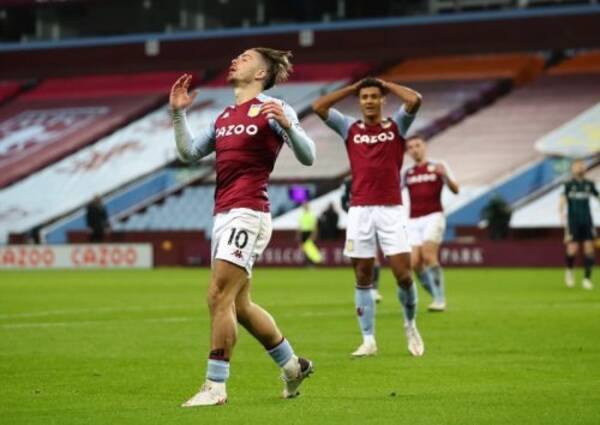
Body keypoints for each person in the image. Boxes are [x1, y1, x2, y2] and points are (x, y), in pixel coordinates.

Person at [170, 47, 316, 407]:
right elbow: (189, 153)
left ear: (261, 74)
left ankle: (215, 386)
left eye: (246, 58)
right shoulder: (224, 116)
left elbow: (308, 155)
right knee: (241, 304)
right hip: (223, 213)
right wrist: (178, 114)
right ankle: (292, 366)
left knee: (218, 295)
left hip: (249, 211)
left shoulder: (274, 108)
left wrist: (288, 127)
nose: (235, 60)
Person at [312, 77, 424, 357]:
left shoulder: (397, 126)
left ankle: (410, 325)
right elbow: (319, 107)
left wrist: (385, 83)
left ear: (382, 99)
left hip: (390, 209)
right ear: (360, 101)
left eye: (374, 96)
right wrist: (352, 88)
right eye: (364, 97)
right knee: (362, 275)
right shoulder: (349, 128)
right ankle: (368, 340)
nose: (369, 101)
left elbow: (414, 100)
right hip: (360, 210)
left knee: (403, 275)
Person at [403, 135, 459, 312]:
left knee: (428, 255)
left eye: (417, 145)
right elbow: (396, 192)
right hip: (413, 219)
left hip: (434, 216)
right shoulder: (407, 172)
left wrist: (445, 176)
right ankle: (436, 296)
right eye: (410, 147)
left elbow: (456, 189)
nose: (414, 150)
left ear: (424, 146)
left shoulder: (438, 166)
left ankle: (440, 300)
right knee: (414, 263)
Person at [560, 159, 599, 290]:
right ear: (572, 169)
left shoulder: (589, 184)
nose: (580, 168)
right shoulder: (568, 185)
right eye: (577, 166)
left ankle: (587, 279)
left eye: (581, 166)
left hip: (587, 221)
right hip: (573, 221)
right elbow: (562, 201)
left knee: (589, 249)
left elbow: (597, 196)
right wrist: (561, 214)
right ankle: (569, 271)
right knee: (572, 249)